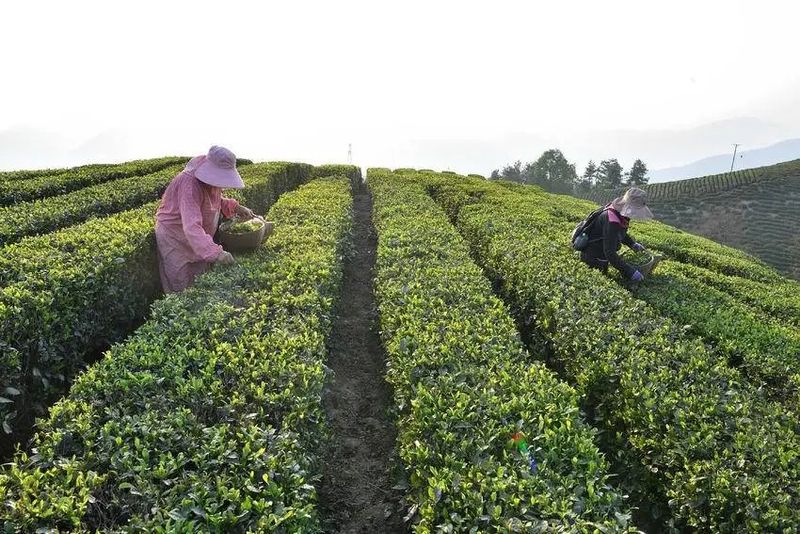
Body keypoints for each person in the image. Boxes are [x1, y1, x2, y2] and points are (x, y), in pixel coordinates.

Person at [155, 145, 255, 293]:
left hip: (197, 239)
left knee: (199, 282)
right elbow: (191, 227)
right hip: (175, 238)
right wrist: (216, 252)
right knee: (180, 285)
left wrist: (236, 207)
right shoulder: (189, 184)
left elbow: (213, 200)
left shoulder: (210, 182)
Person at [579, 187, 654, 281]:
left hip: (601, 255)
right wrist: (630, 272)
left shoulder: (618, 212)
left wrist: (632, 244)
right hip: (593, 257)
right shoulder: (611, 219)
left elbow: (617, 233)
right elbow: (609, 253)